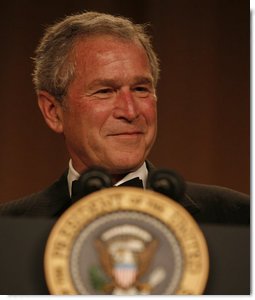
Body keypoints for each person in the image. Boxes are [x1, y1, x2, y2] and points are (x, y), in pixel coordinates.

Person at [0, 11, 249, 224]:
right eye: (104, 91)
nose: (130, 112)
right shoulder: (10, 229)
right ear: (53, 111)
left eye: (141, 89)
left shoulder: (236, 218)